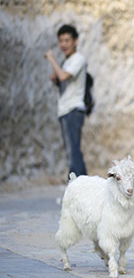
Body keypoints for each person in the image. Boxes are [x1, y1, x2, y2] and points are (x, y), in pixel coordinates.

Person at [45, 24, 87, 178]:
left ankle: (77, 188)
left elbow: (63, 76)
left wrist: (51, 59)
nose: (63, 44)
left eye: (67, 40)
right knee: (72, 153)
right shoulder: (67, 60)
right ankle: (84, 188)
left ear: (75, 41)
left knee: (73, 153)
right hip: (65, 110)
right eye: (61, 41)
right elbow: (62, 79)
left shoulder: (78, 59)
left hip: (73, 110)